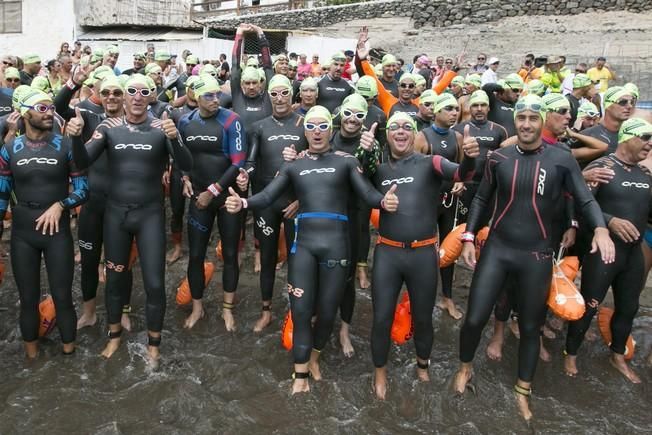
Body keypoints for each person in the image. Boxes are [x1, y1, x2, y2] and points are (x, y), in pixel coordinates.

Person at [453, 94, 615, 421]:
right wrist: (468, 236)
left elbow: (584, 200)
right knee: (473, 318)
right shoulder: (499, 157)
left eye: (532, 118)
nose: (526, 124)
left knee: (530, 328)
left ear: (542, 121)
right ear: (516, 121)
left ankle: (522, 391)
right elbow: (482, 199)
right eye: (521, 118)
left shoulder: (561, 159)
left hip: (536, 255)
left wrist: (600, 228)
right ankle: (465, 368)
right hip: (498, 249)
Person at [224, 105, 398, 394]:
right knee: (302, 311)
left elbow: (367, 193)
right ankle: (300, 375)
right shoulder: (294, 165)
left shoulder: (346, 161)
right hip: (304, 246)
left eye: (322, 126)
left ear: (330, 129)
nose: (317, 132)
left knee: (328, 312)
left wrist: (384, 202)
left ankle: (315, 357)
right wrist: (243, 203)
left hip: (337, 246)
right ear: (305, 131)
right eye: (312, 127)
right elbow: (268, 194)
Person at [69, 73, 193, 364]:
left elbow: (187, 165)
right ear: (124, 97)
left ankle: (154, 347)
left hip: (149, 215)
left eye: (144, 92)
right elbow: (81, 161)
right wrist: (75, 138)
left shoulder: (161, 128)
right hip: (116, 215)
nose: (137, 97)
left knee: (154, 283)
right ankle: (113, 339)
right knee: (114, 280)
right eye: (132, 91)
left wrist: (176, 140)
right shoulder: (108, 127)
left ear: (151, 97)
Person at [371, 111, 479, 399]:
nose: (401, 132)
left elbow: (461, 174)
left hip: (422, 254)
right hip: (388, 254)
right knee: (381, 318)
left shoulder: (429, 163)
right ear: (387, 135)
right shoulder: (378, 170)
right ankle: (380, 374)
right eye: (395, 127)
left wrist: (469, 157)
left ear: (415, 134)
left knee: (423, 317)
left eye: (408, 127)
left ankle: (422, 367)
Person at [0, 89, 88, 358]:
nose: (50, 112)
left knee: (62, 298)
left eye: (51, 108)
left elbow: (84, 189)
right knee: (28, 300)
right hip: (23, 233)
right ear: (25, 113)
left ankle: (70, 357)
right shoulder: (9, 149)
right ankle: (32, 359)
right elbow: (2, 195)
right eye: (42, 108)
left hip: (56, 232)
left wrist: (60, 205)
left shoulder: (65, 145)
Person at [565, 118, 652, 384]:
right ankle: (571, 354)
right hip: (604, 251)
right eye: (645, 137)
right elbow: (581, 205)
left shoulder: (646, 175)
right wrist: (610, 220)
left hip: (633, 252)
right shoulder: (602, 167)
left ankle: (616, 356)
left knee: (628, 307)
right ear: (627, 137)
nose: (650, 144)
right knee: (590, 304)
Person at [55, 67, 136, 331]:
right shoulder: (89, 118)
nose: (111, 97)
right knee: (89, 262)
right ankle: (89, 312)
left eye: (116, 93)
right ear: (98, 95)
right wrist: (74, 82)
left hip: (121, 207)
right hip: (92, 205)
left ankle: (123, 312)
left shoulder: (134, 124)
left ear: (124, 97)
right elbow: (58, 105)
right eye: (106, 93)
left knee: (121, 263)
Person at [176, 75, 245, 331]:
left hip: (226, 197)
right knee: (195, 255)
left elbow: (238, 162)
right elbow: (183, 159)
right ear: (194, 97)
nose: (215, 99)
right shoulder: (185, 122)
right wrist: (184, 178)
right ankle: (198, 307)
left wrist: (213, 191)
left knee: (229, 254)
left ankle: (227, 310)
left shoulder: (231, 120)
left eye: (217, 94)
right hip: (199, 198)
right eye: (208, 95)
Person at [241, 74, 307, 332]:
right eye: (275, 94)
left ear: (292, 95)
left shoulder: (304, 125)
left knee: (297, 259)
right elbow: (251, 161)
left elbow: (315, 164)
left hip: (294, 203)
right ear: (268, 96)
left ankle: (295, 311)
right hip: (266, 202)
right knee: (267, 257)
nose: (279, 98)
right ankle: (266, 310)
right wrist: (245, 174)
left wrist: (302, 199)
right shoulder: (258, 126)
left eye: (284, 93)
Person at [330, 93, 381, 356]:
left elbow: (373, 173)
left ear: (365, 118)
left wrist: (370, 150)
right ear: (340, 114)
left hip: (355, 214)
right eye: (348, 113)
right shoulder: (328, 136)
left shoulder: (370, 141)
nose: (352, 119)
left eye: (359, 115)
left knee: (347, 279)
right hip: (327, 214)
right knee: (323, 273)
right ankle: (321, 317)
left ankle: (344, 330)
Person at [414, 93, 465, 318]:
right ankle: (418, 297)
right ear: (437, 111)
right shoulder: (422, 137)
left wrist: (461, 181)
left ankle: (447, 298)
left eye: (456, 109)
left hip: (449, 202)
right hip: (427, 202)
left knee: (448, 250)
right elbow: (412, 171)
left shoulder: (458, 137)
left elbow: (462, 168)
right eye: (449, 109)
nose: (455, 112)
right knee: (423, 249)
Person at [581, 86, 634, 157]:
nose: (630, 106)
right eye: (623, 102)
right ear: (608, 105)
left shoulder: (631, 137)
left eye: (632, 102)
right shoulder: (587, 135)